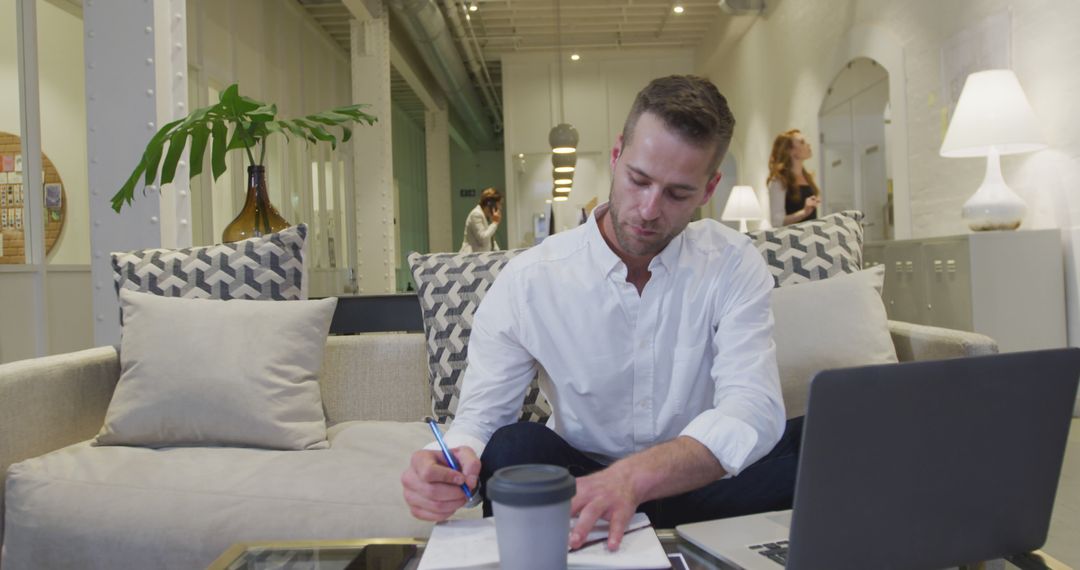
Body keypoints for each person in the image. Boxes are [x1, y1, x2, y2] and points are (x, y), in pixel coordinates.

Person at [402, 75, 801, 552]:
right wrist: (449, 464)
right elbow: (480, 421)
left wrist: (635, 478)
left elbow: (750, 409)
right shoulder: (531, 279)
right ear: (617, 155)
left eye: (677, 194)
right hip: (584, 485)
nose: (649, 209)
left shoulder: (733, 263)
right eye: (638, 179)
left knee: (826, 440)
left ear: (709, 188)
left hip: (701, 481)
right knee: (513, 447)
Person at [767, 129, 822, 227]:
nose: (808, 144)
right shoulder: (778, 182)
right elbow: (776, 222)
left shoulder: (808, 178)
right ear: (791, 151)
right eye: (802, 142)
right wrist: (804, 212)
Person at [459, 188, 502, 252]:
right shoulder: (476, 214)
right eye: (499, 204)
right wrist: (495, 223)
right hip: (471, 257)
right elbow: (483, 239)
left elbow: (490, 241)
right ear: (490, 204)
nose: (500, 207)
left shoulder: (484, 216)